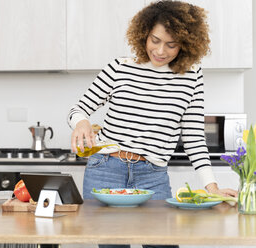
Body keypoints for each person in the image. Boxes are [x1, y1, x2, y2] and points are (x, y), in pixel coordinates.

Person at [67, 1, 237, 248]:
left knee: (162, 244)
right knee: (113, 245)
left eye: (171, 44)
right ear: (143, 34)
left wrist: (212, 187)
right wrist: (81, 122)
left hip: (153, 175)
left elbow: (193, 137)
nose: (160, 50)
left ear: (186, 44)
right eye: (155, 40)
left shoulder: (191, 76)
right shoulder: (119, 68)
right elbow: (78, 108)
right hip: (106, 169)